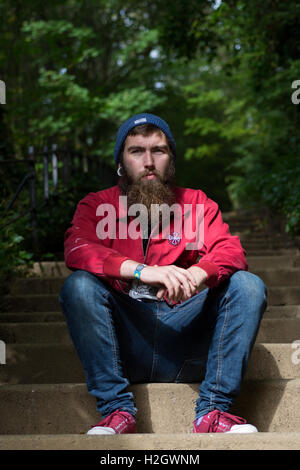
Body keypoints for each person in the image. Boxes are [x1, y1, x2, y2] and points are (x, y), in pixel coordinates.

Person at [59, 113, 267, 435]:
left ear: (171, 161)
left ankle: (212, 411)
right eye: (136, 151)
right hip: (125, 344)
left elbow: (231, 251)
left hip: (185, 340)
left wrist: (198, 273)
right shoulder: (96, 205)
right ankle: (117, 412)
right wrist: (144, 271)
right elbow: (77, 249)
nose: (148, 161)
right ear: (120, 162)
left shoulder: (197, 204)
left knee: (248, 286)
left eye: (159, 150)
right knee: (79, 287)